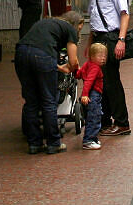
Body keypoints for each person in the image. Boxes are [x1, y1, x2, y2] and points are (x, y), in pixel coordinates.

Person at [14, 10, 84, 154]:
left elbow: (36, 49)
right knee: (49, 101)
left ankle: (34, 144)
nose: (79, 32)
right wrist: (74, 68)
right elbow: (73, 60)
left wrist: (58, 68)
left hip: (21, 54)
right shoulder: (70, 29)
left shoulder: (45, 22)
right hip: (43, 57)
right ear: (77, 24)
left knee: (31, 102)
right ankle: (53, 143)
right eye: (80, 28)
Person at [87, 0, 131, 137]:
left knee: (111, 82)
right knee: (100, 81)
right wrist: (90, 43)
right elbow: (94, 17)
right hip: (97, 38)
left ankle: (122, 123)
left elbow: (125, 14)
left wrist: (121, 40)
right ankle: (105, 121)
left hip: (111, 38)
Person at [76, 42, 107, 150]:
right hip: (94, 95)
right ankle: (88, 140)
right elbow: (89, 81)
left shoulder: (88, 64)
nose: (103, 58)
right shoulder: (95, 68)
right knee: (94, 117)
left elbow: (79, 74)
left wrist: (76, 70)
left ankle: (92, 138)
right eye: (100, 56)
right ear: (92, 56)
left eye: (104, 56)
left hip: (90, 95)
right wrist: (85, 94)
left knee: (92, 116)